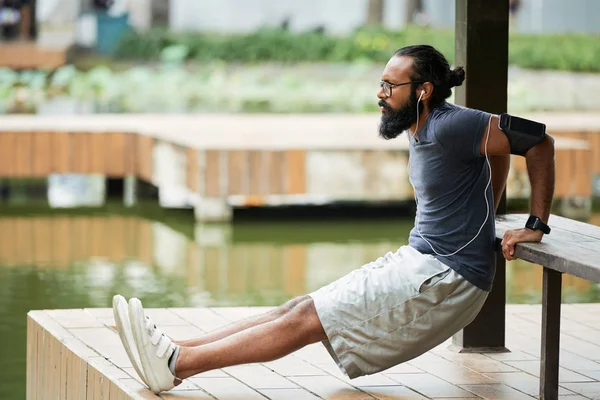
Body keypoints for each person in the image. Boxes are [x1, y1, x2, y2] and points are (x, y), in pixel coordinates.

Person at [113, 44, 555, 394]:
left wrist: (535, 224)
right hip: (421, 259)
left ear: (421, 90)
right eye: (380, 84)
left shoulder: (450, 124)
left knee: (306, 321)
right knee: (299, 307)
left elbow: (537, 141)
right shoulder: (425, 127)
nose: (380, 94)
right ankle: (176, 348)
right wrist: (489, 209)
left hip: (446, 276)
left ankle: (176, 368)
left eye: (390, 85)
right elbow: (497, 152)